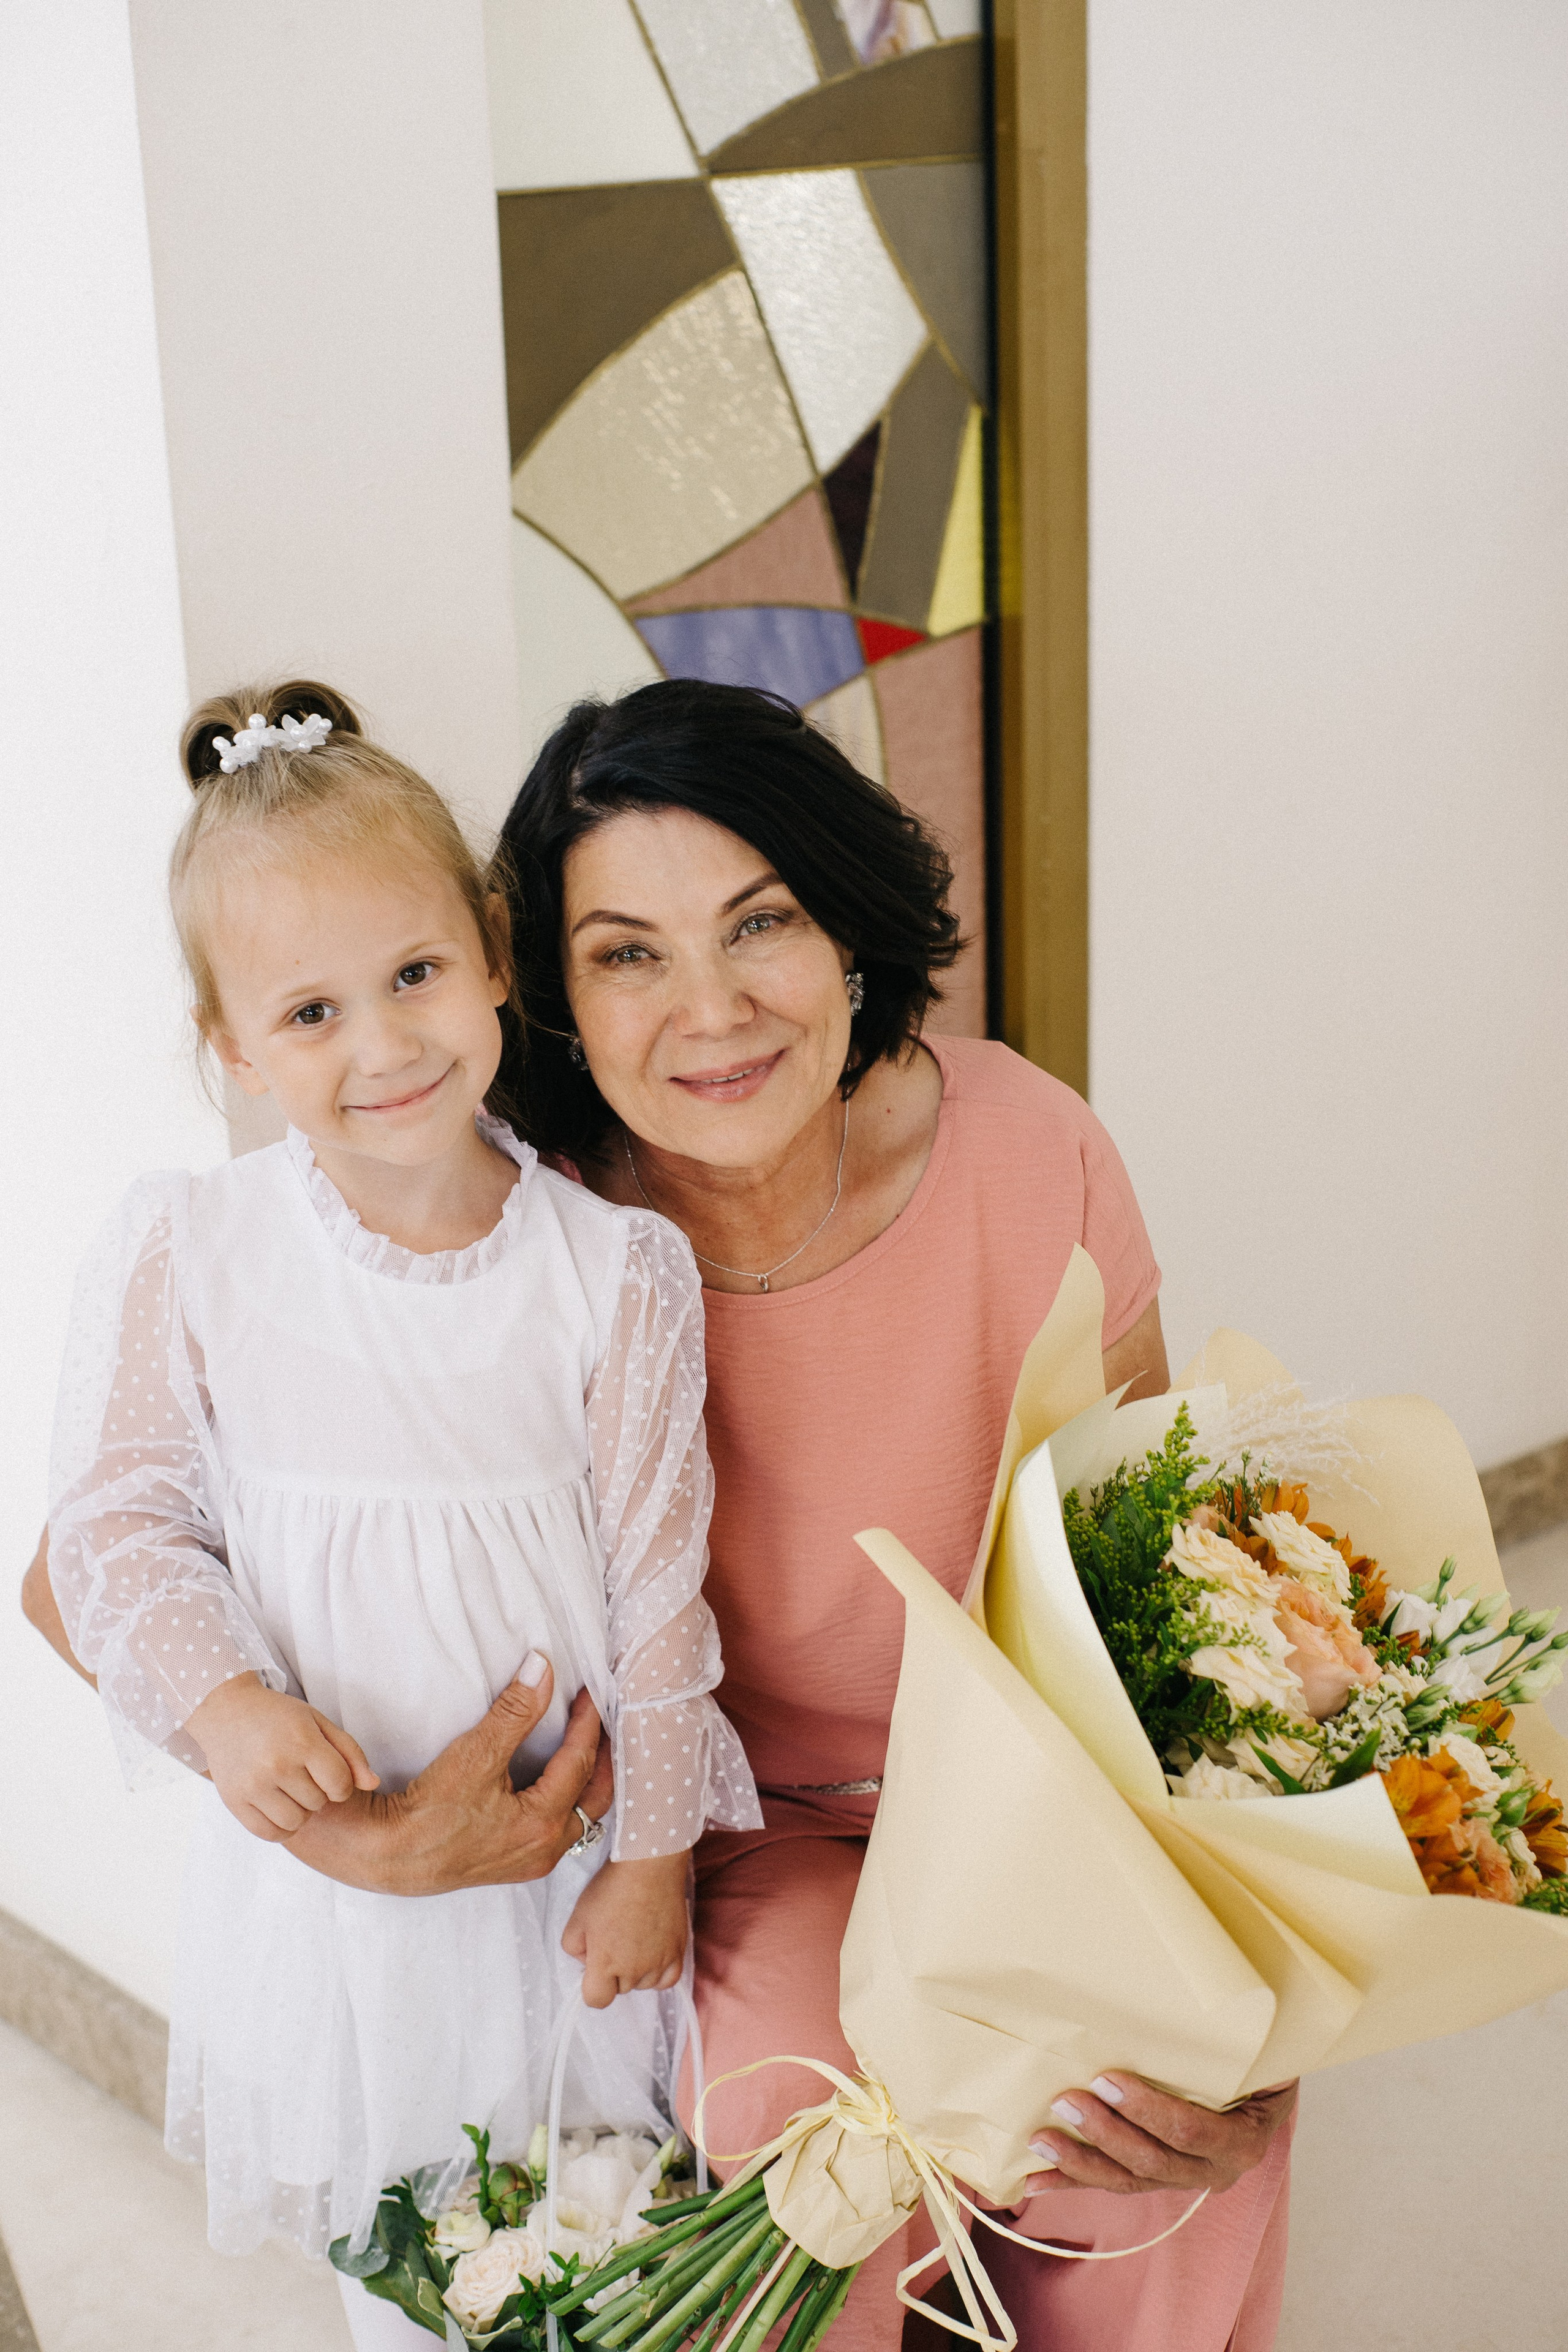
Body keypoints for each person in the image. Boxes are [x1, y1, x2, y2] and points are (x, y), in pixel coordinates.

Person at [25, 677, 1294, 2351]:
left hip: (1038, 1805)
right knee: (800, 2128)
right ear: (548, 978)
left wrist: (1253, 1959)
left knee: (1154, 2111)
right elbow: (85, 1565)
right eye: (627, 951)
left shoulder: (1030, 1146)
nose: (708, 1009)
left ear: (846, 929)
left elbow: (1160, 1572)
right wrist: (360, 1838)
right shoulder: (526, 1223)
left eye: (758, 923)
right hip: (742, 1837)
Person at [39, 682, 759, 2350]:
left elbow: (661, 1592)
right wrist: (224, 1706)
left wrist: (651, 1856)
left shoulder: (614, 1269)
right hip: (342, 1892)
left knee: (591, 2233)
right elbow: (115, 1526)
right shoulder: (194, 1251)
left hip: (569, 1865)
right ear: (232, 1045)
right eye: (309, 1013)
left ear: (495, 951)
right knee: (408, 2259)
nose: (383, 1046)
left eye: (416, 975)